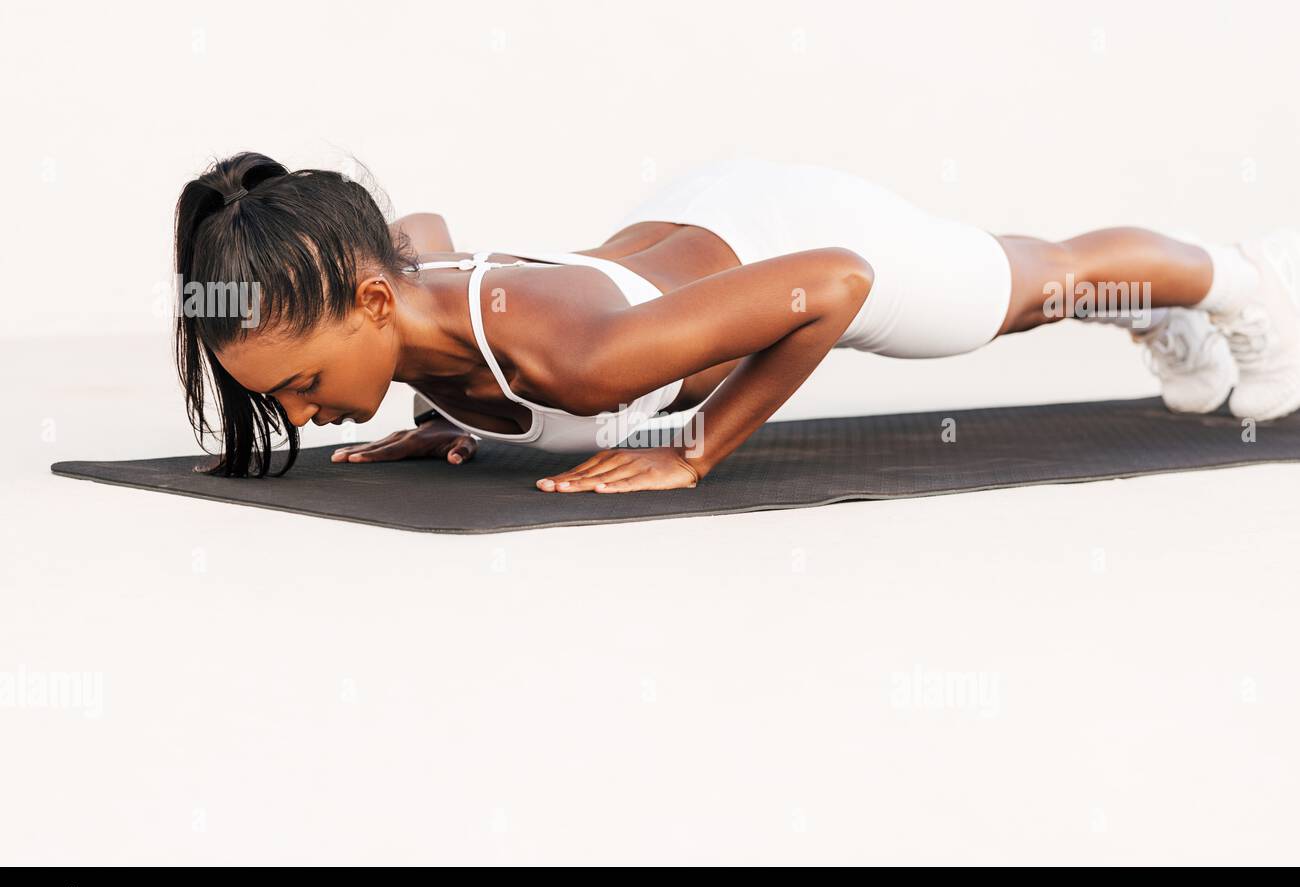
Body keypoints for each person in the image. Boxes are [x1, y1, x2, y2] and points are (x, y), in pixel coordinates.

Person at [173, 152, 1300, 493]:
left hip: (794, 239)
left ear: (371, 300)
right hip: (687, 222)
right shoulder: (400, 281)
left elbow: (834, 284)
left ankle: (1245, 279)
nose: (294, 409)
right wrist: (436, 411)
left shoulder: (574, 357)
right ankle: (1161, 324)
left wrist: (700, 447)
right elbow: (414, 220)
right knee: (1034, 291)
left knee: (1020, 289)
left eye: (303, 377)